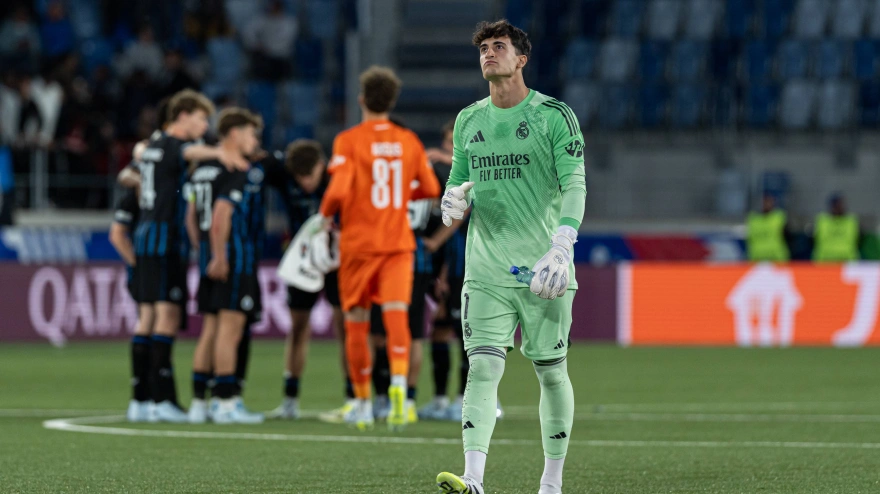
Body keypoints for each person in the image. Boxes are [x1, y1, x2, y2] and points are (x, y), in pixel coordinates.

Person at [434, 20, 586, 494]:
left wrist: (563, 243)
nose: (488, 54)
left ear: (522, 58)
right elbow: (459, 180)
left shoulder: (554, 116)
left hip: (546, 269)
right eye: (483, 47)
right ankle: (473, 479)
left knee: (551, 372)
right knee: (482, 368)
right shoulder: (468, 120)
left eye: (498, 46)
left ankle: (552, 483)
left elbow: (575, 184)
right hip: (485, 270)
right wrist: (452, 200)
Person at [319, 66, 441, 431]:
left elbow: (338, 191)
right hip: (398, 244)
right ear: (391, 102)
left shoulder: (349, 140)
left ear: (362, 101)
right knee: (396, 316)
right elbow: (432, 188)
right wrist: (404, 191)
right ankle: (400, 388)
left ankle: (361, 402)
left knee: (356, 322)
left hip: (359, 245)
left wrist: (325, 216)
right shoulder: (408, 140)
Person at [118, 89, 247, 422]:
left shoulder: (151, 147)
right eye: (202, 118)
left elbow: (129, 172)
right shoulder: (173, 145)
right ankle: (162, 400)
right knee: (167, 317)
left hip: (145, 237)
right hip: (165, 241)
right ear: (184, 114)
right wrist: (221, 153)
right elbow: (192, 149)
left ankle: (141, 399)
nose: (205, 125)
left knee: (146, 318)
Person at [261, 139, 348, 421]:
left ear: (321, 167)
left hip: (338, 261)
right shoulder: (282, 172)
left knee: (345, 328)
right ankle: (289, 399)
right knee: (298, 327)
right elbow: (255, 156)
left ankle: (353, 398)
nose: (304, 184)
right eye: (298, 178)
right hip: (302, 261)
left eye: (308, 177)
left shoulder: (339, 177)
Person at [189, 107, 266, 424]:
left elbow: (191, 217)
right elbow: (221, 215)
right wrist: (221, 256)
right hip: (232, 259)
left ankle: (198, 405)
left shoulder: (202, 168)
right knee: (230, 330)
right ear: (234, 134)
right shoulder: (235, 169)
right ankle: (224, 402)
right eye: (250, 133)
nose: (254, 140)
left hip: (210, 256)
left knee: (210, 328)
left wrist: (204, 251)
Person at [368, 117, 441, 424]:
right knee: (412, 335)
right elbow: (446, 208)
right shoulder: (424, 173)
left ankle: (384, 397)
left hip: (383, 258)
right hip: (417, 260)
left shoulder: (381, 174)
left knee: (379, 333)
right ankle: (407, 399)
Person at [109, 187, 148, 421]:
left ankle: (149, 399)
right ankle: (146, 399)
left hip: (150, 267)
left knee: (152, 323)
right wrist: (137, 264)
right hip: (147, 267)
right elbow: (116, 234)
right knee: (152, 322)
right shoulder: (133, 196)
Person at [813, 193, 861, 262]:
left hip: (847, 262)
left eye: (841, 205)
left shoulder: (851, 221)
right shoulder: (822, 221)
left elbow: (858, 241)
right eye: (837, 205)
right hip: (825, 262)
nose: (839, 207)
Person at [746, 193, 791, 262]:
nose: (766, 204)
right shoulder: (753, 219)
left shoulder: (779, 218)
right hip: (756, 259)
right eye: (765, 201)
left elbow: (787, 236)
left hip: (776, 259)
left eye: (769, 201)